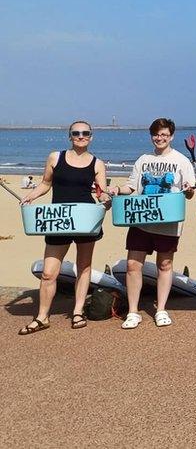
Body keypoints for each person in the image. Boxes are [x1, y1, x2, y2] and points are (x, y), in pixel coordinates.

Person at [18, 121, 111, 334]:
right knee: (49, 273)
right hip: (57, 220)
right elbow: (45, 183)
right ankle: (42, 317)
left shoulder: (97, 164)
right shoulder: (55, 157)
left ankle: (78, 311)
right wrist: (30, 196)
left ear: (91, 136)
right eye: (76, 133)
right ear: (70, 136)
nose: (81, 136)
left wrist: (107, 199)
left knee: (84, 267)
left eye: (85, 133)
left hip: (86, 220)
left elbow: (100, 192)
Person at [109, 118, 196, 329]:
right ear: (152, 136)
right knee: (132, 265)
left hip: (168, 222)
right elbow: (131, 187)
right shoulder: (143, 160)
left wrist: (189, 189)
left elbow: (190, 193)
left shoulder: (182, 160)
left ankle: (161, 309)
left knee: (165, 265)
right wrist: (116, 189)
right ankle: (133, 311)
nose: (160, 138)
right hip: (141, 220)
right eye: (157, 134)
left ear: (171, 136)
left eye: (164, 134)